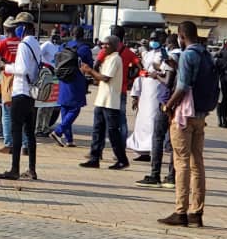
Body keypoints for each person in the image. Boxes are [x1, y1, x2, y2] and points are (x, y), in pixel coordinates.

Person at [159, 20, 214, 227]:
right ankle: (196, 212)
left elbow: (182, 87)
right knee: (197, 163)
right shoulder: (206, 54)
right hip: (200, 115)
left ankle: (180, 211)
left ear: (181, 36)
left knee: (181, 162)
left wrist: (168, 106)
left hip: (183, 116)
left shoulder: (187, 55)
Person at [0, 12, 42, 181]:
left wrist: (5, 67)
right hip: (31, 93)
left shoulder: (23, 45)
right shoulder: (36, 43)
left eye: (17, 27)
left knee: (16, 132)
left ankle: (14, 169)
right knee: (30, 133)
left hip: (20, 91)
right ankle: (32, 169)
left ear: (23, 28)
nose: (16, 30)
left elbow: (22, 70)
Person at [79, 35, 129, 171]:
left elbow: (106, 78)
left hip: (110, 101)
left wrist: (90, 70)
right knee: (98, 130)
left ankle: (122, 159)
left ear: (114, 45)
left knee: (113, 132)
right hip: (102, 99)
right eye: (103, 44)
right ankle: (94, 158)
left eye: (107, 44)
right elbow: (99, 79)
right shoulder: (107, 58)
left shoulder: (115, 58)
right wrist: (90, 74)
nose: (104, 46)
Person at [136, 40, 177, 188]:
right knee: (173, 142)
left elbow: (168, 80)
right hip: (177, 105)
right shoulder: (184, 56)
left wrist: (156, 76)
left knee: (158, 138)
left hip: (167, 103)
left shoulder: (174, 55)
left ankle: (155, 175)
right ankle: (172, 176)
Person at [51, 26, 93, 148]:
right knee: (75, 108)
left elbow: (56, 61)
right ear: (83, 35)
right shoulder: (85, 48)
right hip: (76, 79)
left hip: (63, 79)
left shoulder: (63, 46)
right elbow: (89, 65)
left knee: (65, 107)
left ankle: (69, 140)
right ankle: (58, 131)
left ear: (71, 34)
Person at [0, 16, 23, 154]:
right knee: (20, 114)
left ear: (5, 29)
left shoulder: (2, 43)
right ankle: (24, 144)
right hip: (21, 78)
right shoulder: (22, 43)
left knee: (6, 112)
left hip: (7, 78)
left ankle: (8, 143)